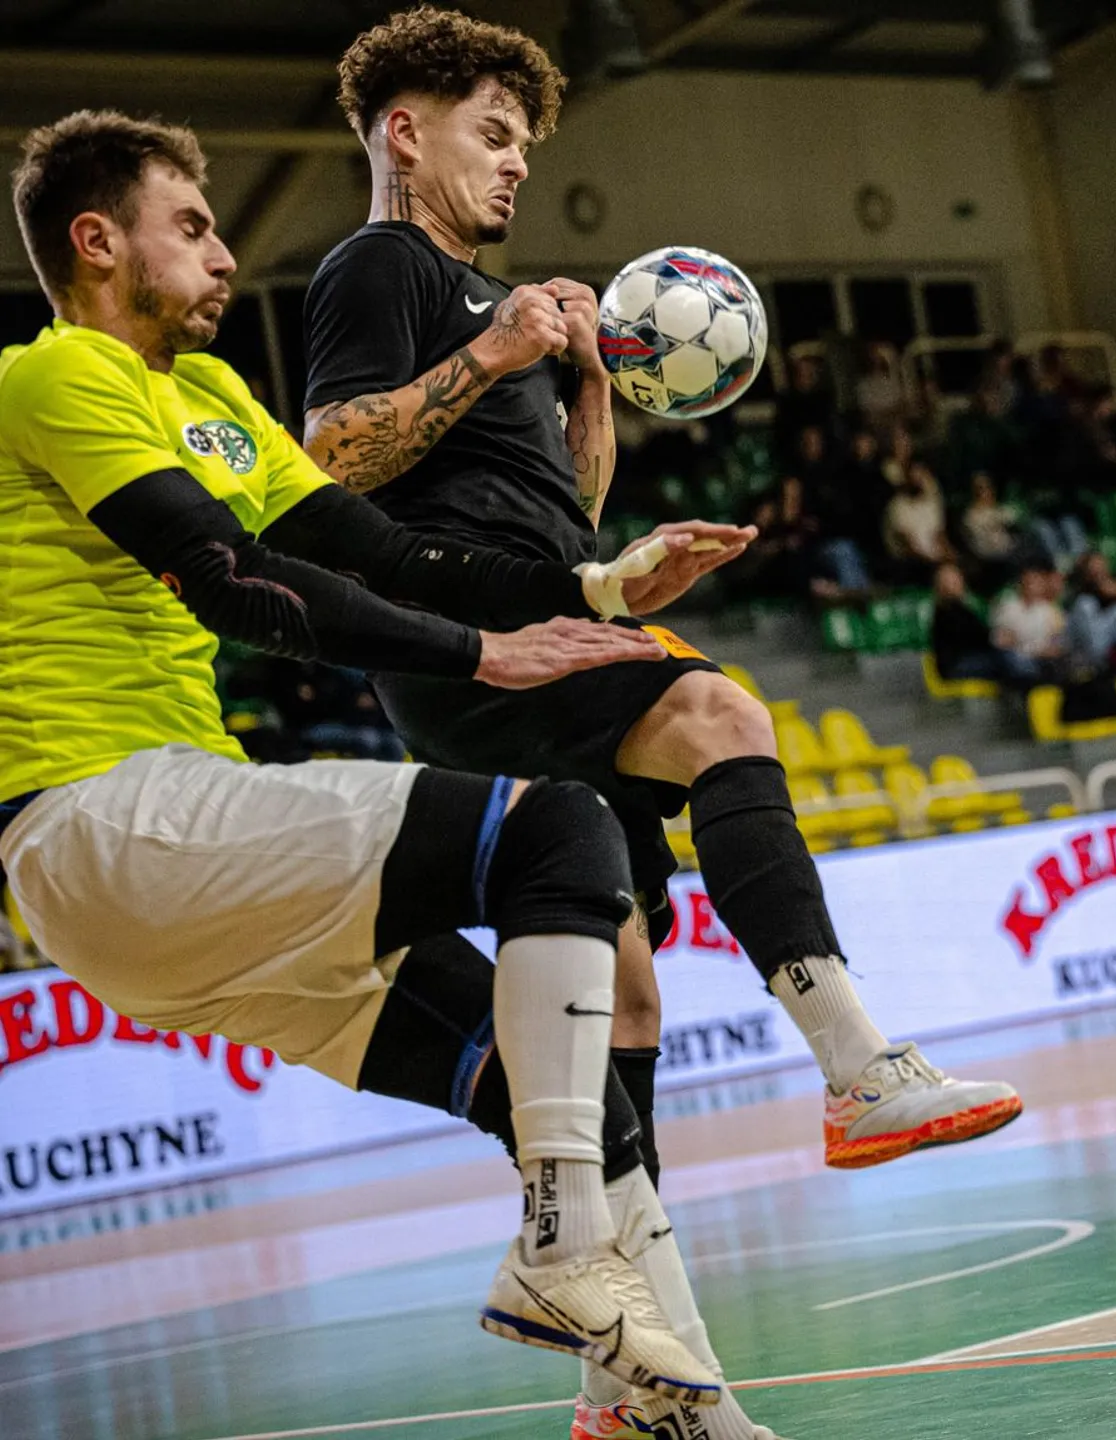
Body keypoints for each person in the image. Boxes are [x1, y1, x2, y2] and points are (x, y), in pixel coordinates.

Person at [298, 12, 1019, 1435]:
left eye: (523, 144)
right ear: (404, 130)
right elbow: (334, 453)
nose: (514, 168)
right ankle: (858, 1066)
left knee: (614, 999)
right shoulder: (374, 267)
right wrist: (498, 349)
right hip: (481, 631)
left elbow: (567, 505)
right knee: (714, 705)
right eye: (492, 135)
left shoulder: (489, 297)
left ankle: (633, 1385)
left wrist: (578, 387)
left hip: (551, 590)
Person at [0, 109, 741, 1413]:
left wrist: (588, 582)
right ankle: (561, 1251)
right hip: (100, 820)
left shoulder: (212, 395)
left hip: (168, 881)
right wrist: (480, 654)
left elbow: (379, 553)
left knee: (556, 1096)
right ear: (98, 240)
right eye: (194, 227)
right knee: (557, 837)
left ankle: (666, 1410)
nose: (227, 256)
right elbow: (231, 580)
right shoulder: (53, 374)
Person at [929, 561, 1043, 689]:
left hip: (970, 658)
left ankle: (1029, 677)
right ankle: (1030, 676)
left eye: (957, 578)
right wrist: (995, 638)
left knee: (1006, 659)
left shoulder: (962, 607)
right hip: (956, 665)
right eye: (951, 581)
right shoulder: (945, 611)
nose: (957, 583)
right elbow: (970, 638)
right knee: (1003, 660)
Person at [991, 562, 1068, 671]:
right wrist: (1031, 646)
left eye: (1036, 582)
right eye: (1028, 582)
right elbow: (1001, 640)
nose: (1031, 586)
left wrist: (1021, 641)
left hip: (1040, 661)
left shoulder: (1051, 612)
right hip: (1012, 658)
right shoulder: (1007, 606)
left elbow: (1055, 645)